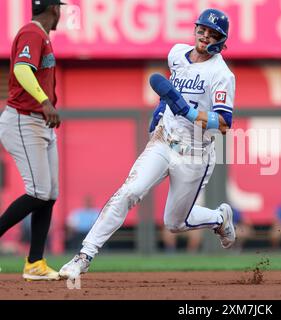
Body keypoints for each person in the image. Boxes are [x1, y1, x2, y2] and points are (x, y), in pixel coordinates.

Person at [60, 8, 236, 279]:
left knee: (175, 224)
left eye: (212, 33)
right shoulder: (177, 53)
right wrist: (161, 109)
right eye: (202, 29)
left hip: (195, 153)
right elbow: (170, 91)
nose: (204, 36)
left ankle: (218, 218)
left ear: (221, 39)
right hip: (164, 141)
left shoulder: (221, 73)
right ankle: (84, 256)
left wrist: (190, 114)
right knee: (129, 191)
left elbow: (224, 122)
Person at [0, 0, 64, 281]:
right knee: (38, 192)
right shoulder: (32, 33)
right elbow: (21, 70)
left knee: (48, 194)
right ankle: (34, 261)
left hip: (39, 122)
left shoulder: (40, 35)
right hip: (23, 120)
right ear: (54, 10)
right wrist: (45, 102)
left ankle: (35, 263)